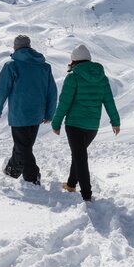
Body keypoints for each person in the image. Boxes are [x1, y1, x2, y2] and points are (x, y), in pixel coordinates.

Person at [52, 43, 120, 201]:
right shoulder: (102, 78)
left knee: (80, 157)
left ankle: (87, 195)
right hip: (92, 127)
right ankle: (70, 184)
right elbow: (109, 101)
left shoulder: (73, 77)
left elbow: (64, 103)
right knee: (79, 154)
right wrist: (115, 121)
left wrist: (56, 123)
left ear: (74, 61)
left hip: (74, 125)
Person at [0, 34, 57, 185]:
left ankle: (32, 177)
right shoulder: (44, 67)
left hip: (19, 114)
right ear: (29, 46)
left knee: (24, 147)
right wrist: (49, 113)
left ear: (16, 48)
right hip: (37, 114)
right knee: (24, 145)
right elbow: (52, 92)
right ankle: (12, 169)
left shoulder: (12, 66)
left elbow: (1, 91)